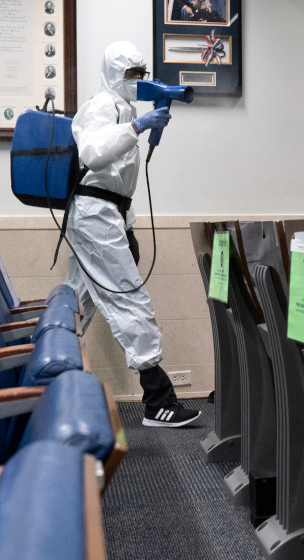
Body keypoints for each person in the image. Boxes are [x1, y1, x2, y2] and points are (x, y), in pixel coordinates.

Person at [65, 40, 201, 428]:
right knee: (130, 298)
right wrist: (138, 126)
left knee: (77, 303)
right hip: (94, 214)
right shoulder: (102, 106)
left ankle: (44, 382)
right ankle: (159, 400)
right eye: (131, 74)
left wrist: (128, 225)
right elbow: (91, 154)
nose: (138, 81)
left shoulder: (122, 109)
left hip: (105, 214)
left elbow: (116, 183)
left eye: (141, 74)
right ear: (113, 74)